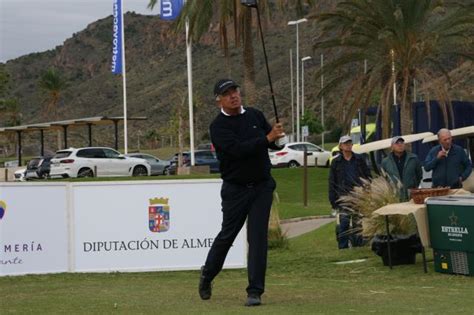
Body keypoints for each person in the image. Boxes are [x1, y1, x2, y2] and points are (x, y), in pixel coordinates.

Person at [198, 79, 284, 307]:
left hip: (261, 187)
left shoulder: (255, 115)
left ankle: (255, 291)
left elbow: (273, 145)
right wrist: (267, 139)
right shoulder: (218, 127)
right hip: (235, 189)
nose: (233, 96)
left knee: (257, 238)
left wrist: (277, 138)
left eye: (234, 91)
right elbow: (237, 150)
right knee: (228, 235)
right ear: (219, 100)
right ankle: (207, 274)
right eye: (227, 93)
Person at [329, 135, 371, 249]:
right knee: (344, 223)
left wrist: (367, 190)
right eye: (345, 143)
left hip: (358, 195)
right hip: (343, 196)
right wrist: (333, 200)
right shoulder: (336, 162)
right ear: (340, 146)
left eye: (349, 143)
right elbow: (332, 182)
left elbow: (367, 176)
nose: (348, 145)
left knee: (358, 222)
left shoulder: (359, 159)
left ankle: (358, 245)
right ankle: (343, 247)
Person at [381, 136, 423, 201]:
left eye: (402, 143)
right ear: (392, 146)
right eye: (397, 143)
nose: (400, 145)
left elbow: (419, 175)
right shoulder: (386, 162)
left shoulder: (413, 158)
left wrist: (413, 185)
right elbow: (384, 178)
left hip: (410, 195)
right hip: (394, 195)